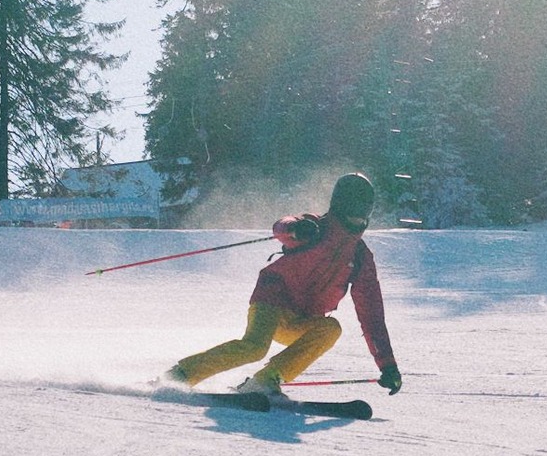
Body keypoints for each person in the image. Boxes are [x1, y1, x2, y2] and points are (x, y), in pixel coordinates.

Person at [163, 171, 401, 402]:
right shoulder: (315, 228)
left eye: (364, 209)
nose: (359, 216)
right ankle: (180, 374)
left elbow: (372, 315)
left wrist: (387, 365)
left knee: (331, 328)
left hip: (299, 319)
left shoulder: (360, 257)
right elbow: (282, 227)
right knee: (254, 347)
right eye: (355, 208)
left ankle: (265, 380)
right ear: (341, 204)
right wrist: (294, 229)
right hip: (271, 301)